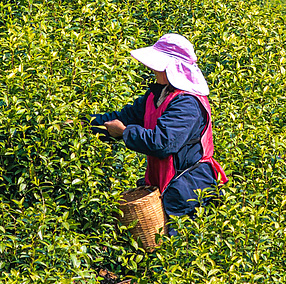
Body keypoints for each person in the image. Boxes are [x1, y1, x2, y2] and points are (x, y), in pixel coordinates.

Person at [90, 34, 228, 224]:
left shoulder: (187, 103)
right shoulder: (157, 95)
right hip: (168, 184)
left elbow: (163, 142)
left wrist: (124, 133)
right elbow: (124, 116)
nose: (152, 68)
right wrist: (86, 125)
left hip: (189, 189)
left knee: (177, 243)